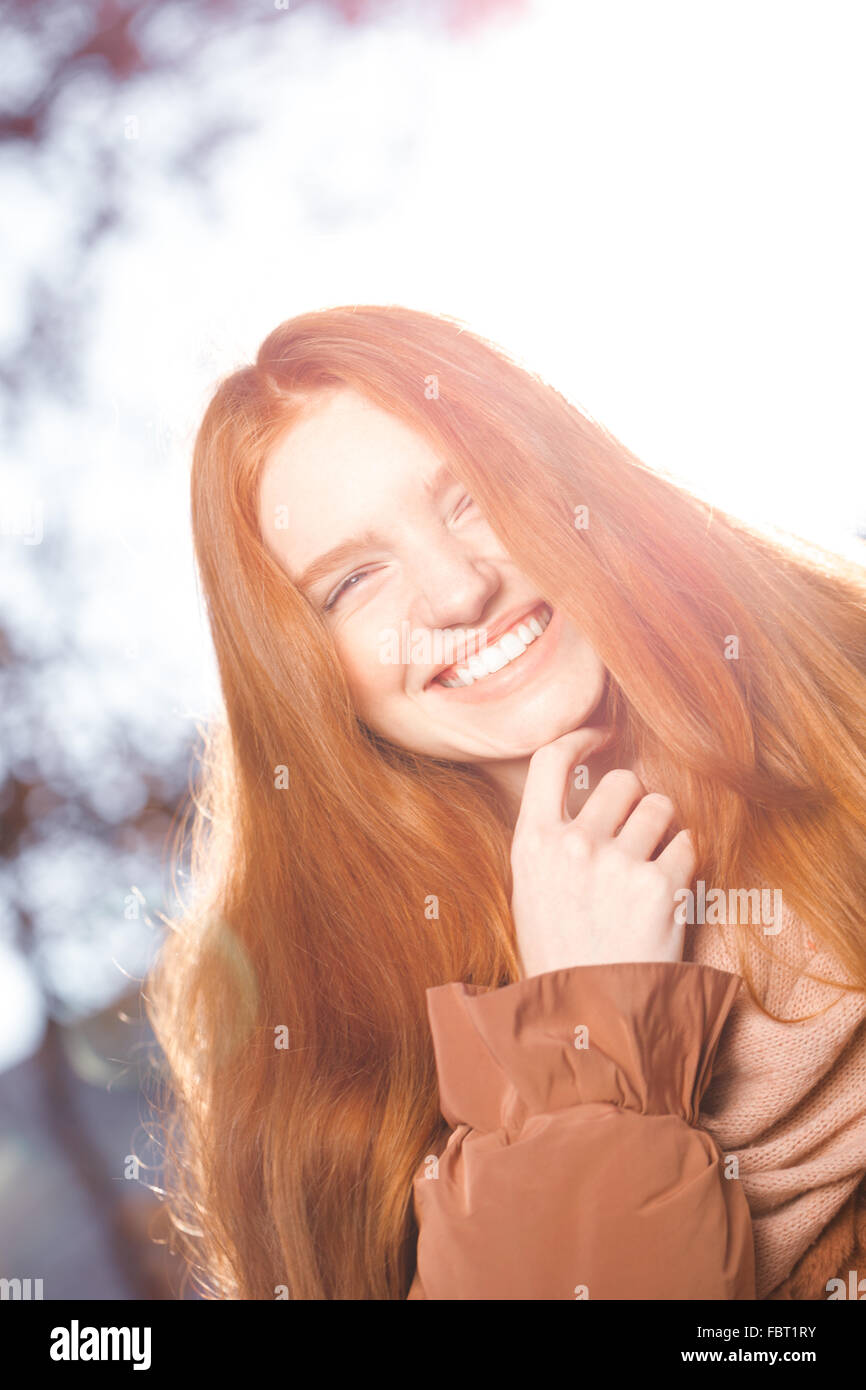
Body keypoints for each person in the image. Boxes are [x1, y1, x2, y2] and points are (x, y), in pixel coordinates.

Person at [146, 304, 866, 1300]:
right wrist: (592, 1025)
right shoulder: (325, 1069)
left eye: (470, 497)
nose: (453, 592)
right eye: (353, 580)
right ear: (300, 675)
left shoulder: (848, 691)